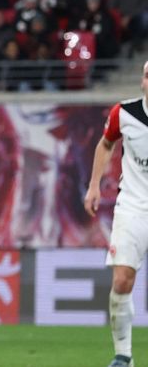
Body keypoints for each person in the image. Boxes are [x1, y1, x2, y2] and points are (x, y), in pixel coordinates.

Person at [84, 61, 148, 367]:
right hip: (133, 208)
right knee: (122, 280)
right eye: (147, 74)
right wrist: (94, 185)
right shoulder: (123, 113)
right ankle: (123, 356)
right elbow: (106, 143)